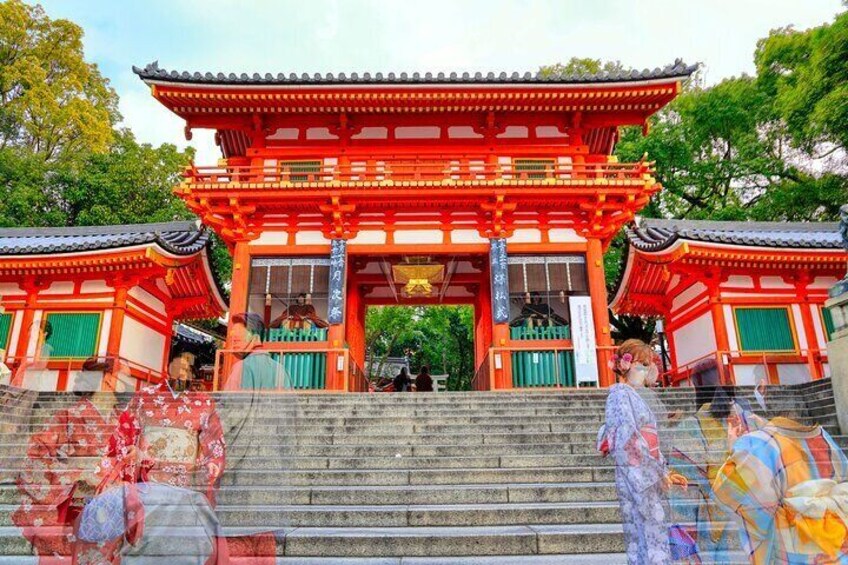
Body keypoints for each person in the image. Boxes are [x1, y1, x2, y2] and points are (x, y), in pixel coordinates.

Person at [13, 368, 120, 562]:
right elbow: (36, 454)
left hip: (108, 504)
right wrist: (76, 474)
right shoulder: (68, 416)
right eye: (118, 378)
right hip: (74, 502)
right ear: (106, 381)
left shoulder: (119, 420)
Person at [712, 413, 848, 564]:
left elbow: (729, 493)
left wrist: (733, 450)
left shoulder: (758, 443)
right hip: (834, 544)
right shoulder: (823, 438)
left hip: (789, 551)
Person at [601, 339, 687, 565]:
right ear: (625, 366)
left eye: (647, 366)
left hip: (647, 472)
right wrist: (657, 472)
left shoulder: (632, 395)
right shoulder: (620, 395)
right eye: (641, 365)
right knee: (648, 532)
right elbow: (628, 439)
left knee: (652, 532)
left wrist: (664, 471)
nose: (645, 371)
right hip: (638, 475)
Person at [226, 312, 287, 390]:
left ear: (256, 337)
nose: (232, 335)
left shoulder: (242, 368)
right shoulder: (280, 370)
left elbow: (231, 400)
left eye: (237, 340)